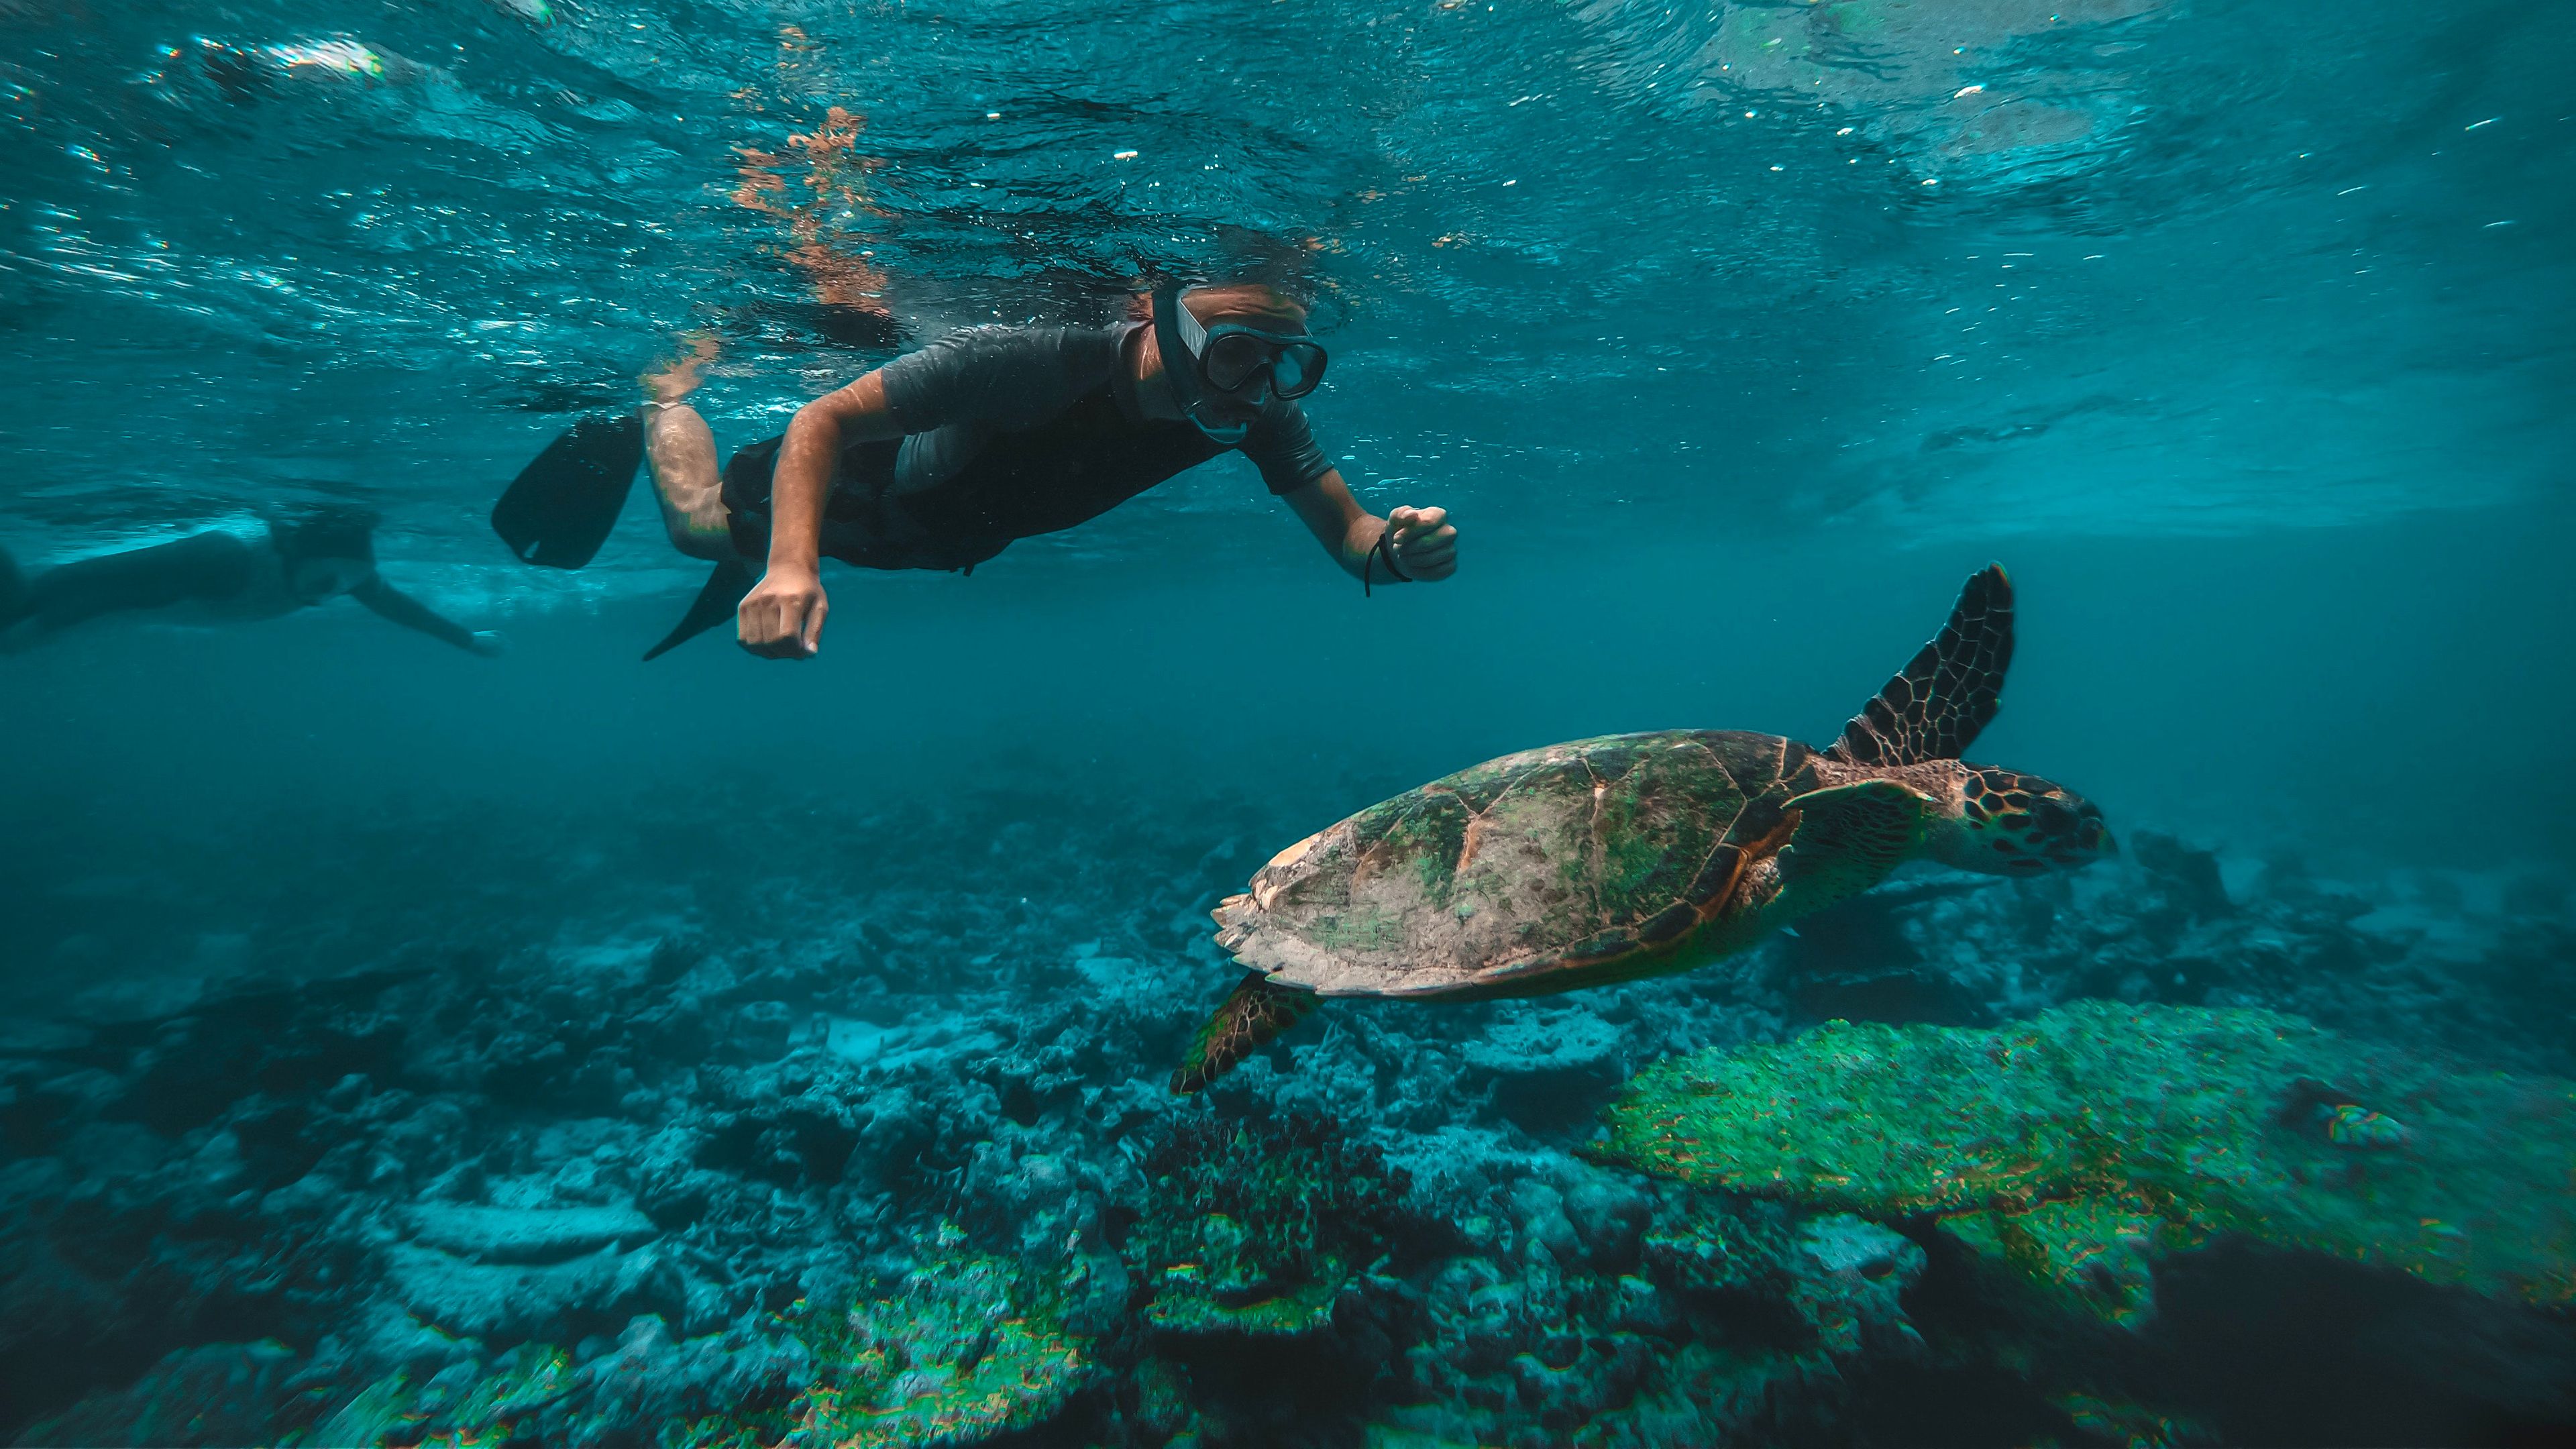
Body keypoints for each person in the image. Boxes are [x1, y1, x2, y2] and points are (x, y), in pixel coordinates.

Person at [502, 282, 1460, 659]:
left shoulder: (1255, 412)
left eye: (1288, 365)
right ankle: (663, 399)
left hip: (953, 536)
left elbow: (1349, 535)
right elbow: (823, 419)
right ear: (1174, 330)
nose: (1260, 389)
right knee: (693, 527)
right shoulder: (1031, 357)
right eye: (1241, 352)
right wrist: (793, 564)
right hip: (866, 492)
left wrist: (1398, 552)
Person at [0, 504, 503, 656]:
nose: (335, 590)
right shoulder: (229, 562)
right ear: (296, 553)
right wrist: (42, 626)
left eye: (353, 582)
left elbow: (401, 610)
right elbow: (115, 592)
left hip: (119, 607)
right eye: (331, 578)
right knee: (16, 620)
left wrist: (466, 639)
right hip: (88, 594)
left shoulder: (344, 571)